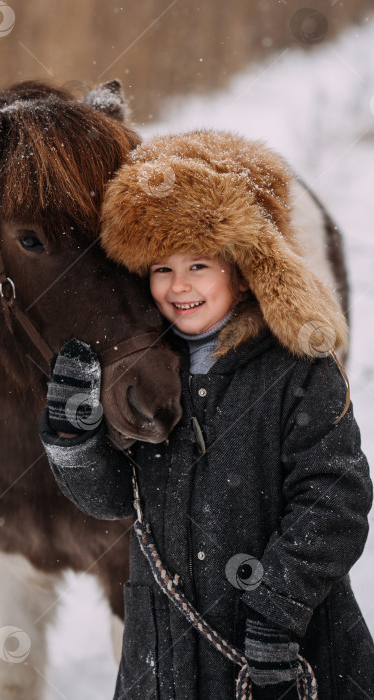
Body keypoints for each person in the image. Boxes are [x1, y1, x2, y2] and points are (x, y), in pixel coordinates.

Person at [39, 130, 374, 699]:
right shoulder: (151, 373)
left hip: (282, 650)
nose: (179, 286)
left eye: (199, 264)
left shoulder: (295, 371)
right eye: (161, 269)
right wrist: (75, 440)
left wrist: (277, 609)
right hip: (163, 655)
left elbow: (335, 500)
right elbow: (118, 499)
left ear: (244, 270)